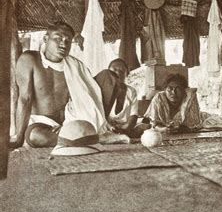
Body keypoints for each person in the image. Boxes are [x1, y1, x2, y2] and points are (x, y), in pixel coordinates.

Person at [10, 21, 118, 149]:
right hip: (42, 123)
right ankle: (96, 138)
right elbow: (25, 99)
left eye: (68, 41)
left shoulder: (75, 66)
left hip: (71, 121)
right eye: (58, 38)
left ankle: (82, 134)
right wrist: (19, 137)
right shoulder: (30, 59)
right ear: (46, 38)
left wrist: (71, 124)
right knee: (36, 137)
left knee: (110, 77)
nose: (63, 44)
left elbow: (87, 96)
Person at [145, 74, 222, 133]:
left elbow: (194, 124)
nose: (173, 92)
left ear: (184, 90)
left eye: (177, 89)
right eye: (169, 89)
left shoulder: (189, 97)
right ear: (165, 90)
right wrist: (164, 129)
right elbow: (154, 123)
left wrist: (180, 129)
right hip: (166, 128)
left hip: (200, 118)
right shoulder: (159, 98)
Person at [107, 58, 150, 138]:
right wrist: (111, 128)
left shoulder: (131, 91)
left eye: (121, 71)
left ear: (127, 74)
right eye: (114, 70)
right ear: (108, 73)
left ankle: (121, 136)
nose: (117, 73)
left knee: (146, 127)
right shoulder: (103, 90)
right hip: (107, 127)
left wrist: (124, 129)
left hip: (126, 127)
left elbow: (133, 117)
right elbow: (101, 116)